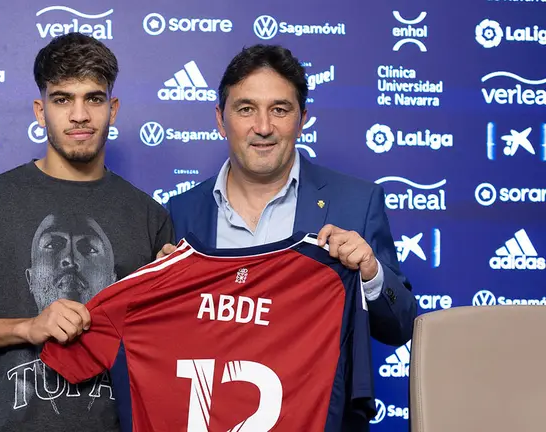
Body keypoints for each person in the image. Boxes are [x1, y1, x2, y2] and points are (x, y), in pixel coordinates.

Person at [156, 44, 417, 428]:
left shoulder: (357, 203)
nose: (263, 127)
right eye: (246, 109)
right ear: (220, 118)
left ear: (302, 118)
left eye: (280, 109)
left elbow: (401, 327)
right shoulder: (181, 211)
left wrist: (371, 273)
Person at [0, 33, 174, 432]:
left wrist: (171, 291)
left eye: (93, 99)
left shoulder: (147, 214)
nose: (79, 115)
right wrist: (27, 327)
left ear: (112, 108)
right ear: (41, 111)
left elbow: (165, 345)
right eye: (63, 99)